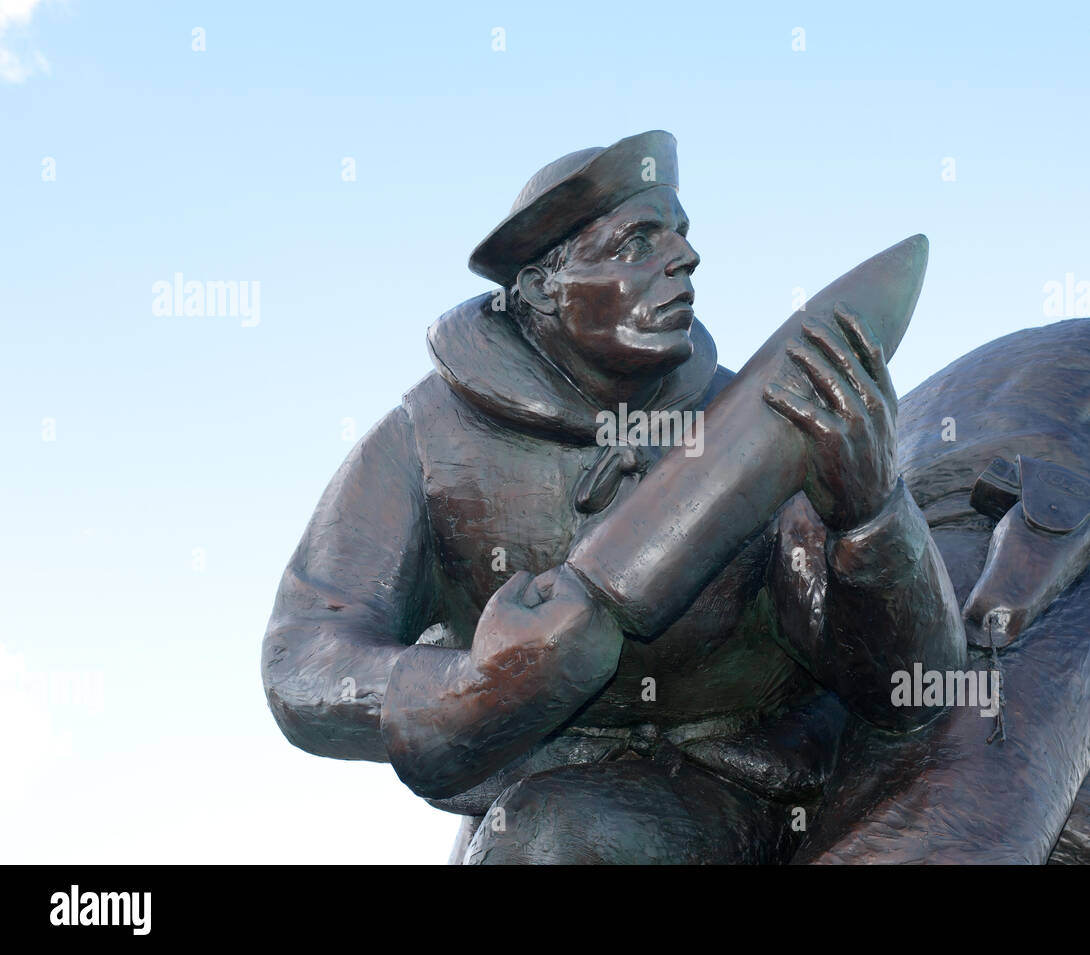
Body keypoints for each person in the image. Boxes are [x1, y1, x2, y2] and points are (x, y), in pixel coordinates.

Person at [261, 130, 966, 864]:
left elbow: (914, 693)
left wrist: (873, 517)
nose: (684, 257)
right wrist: (470, 691)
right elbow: (304, 655)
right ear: (540, 287)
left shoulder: (760, 430)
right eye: (637, 242)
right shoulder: (425, 438)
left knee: (563, 840)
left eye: (681, 236)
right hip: (527, 798)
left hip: (743, 789)